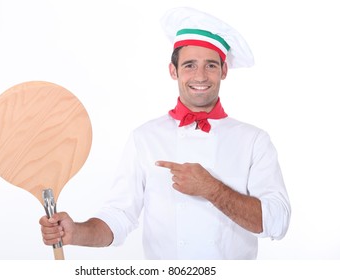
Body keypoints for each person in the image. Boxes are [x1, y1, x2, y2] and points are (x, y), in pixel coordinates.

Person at [40, 6, 291, 259]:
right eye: (190, 65)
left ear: (224, 71)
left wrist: (211, 188)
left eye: (211, 65)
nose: (200, 76)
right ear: (174, 71)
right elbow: (119, 216)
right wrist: (76, 233)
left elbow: (278, 222)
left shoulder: (254, 141)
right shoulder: (145, 138)